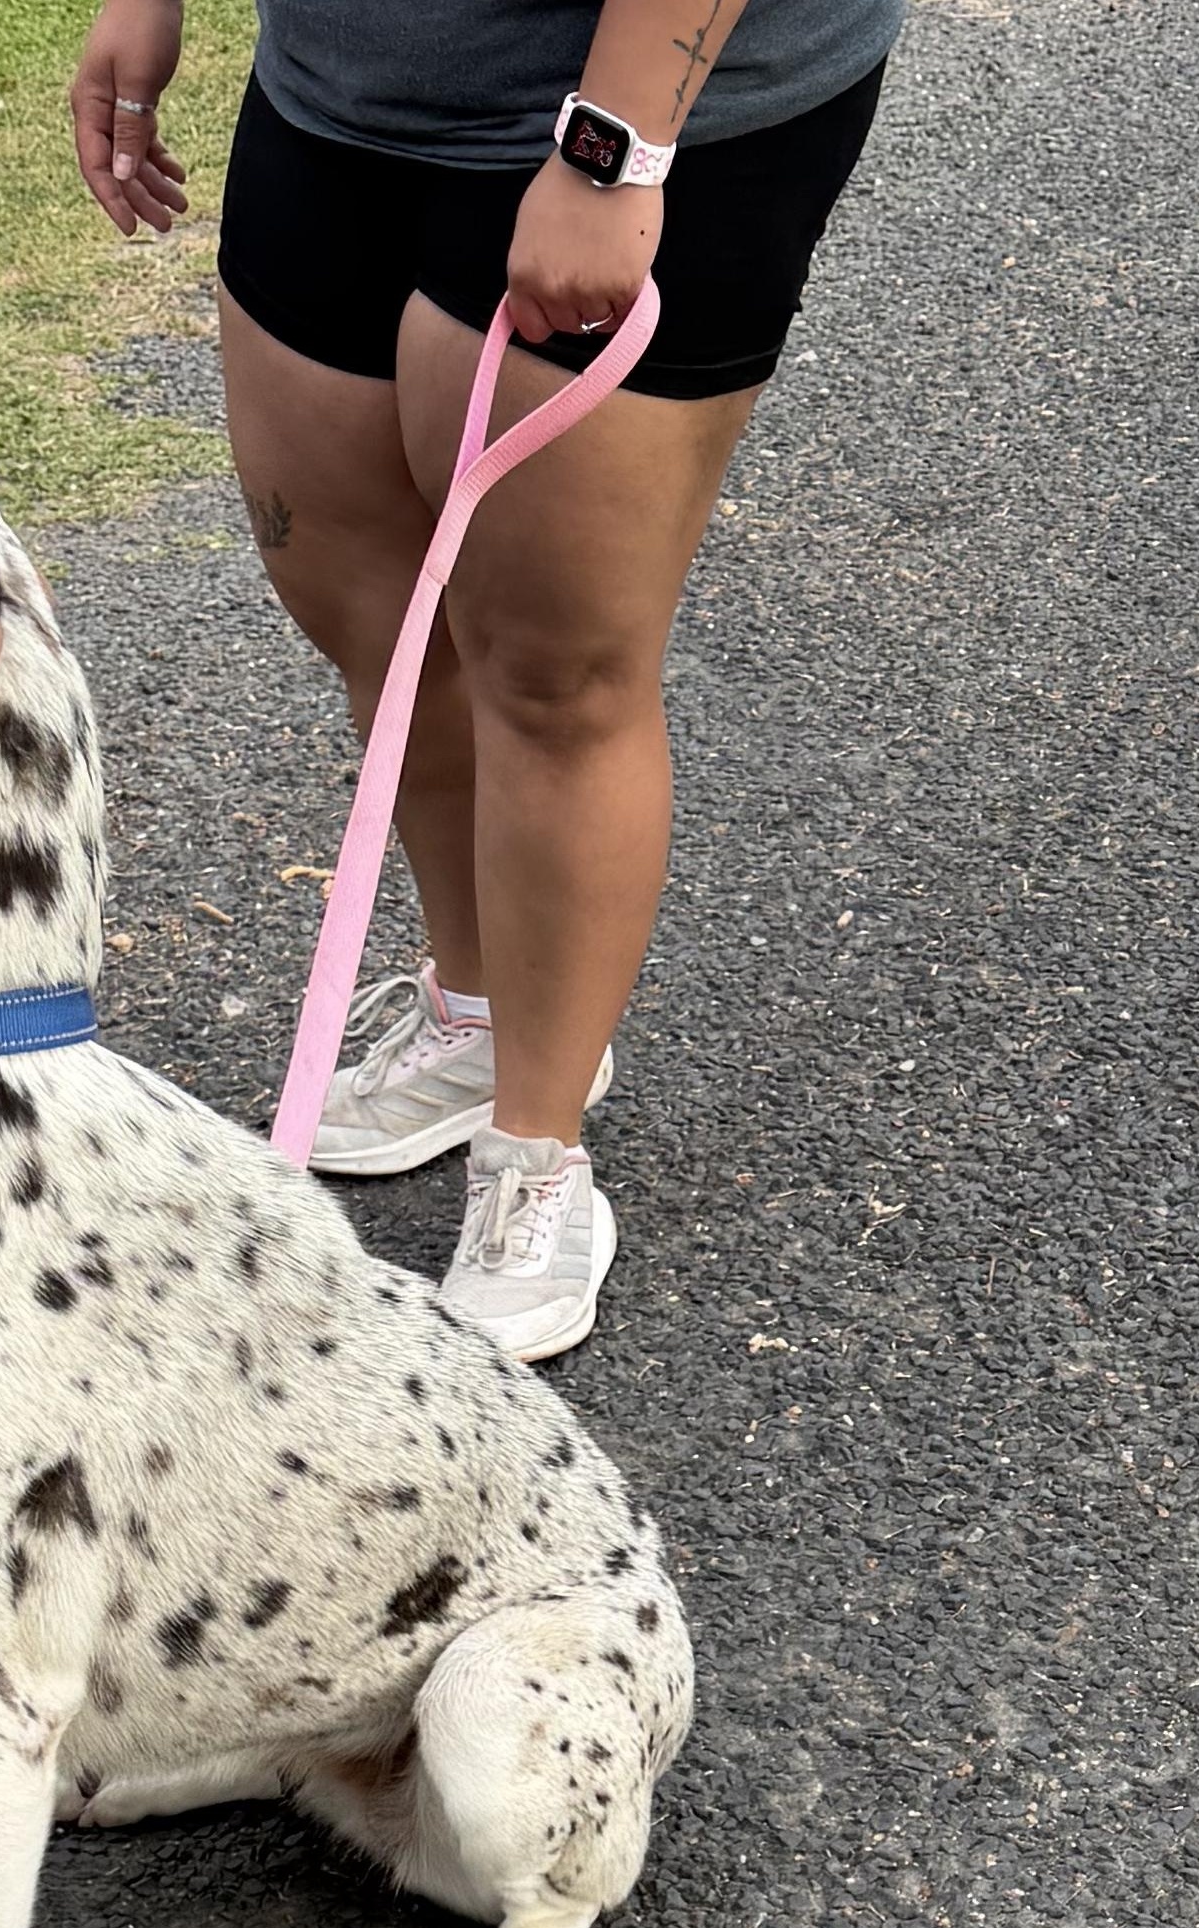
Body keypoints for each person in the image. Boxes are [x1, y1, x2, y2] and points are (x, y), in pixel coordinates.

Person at [72, 0, 896, 1357]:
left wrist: (612, 149)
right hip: (342, 78)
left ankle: (536, 1147)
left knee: (550, 668)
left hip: (617, 112)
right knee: (372, 611)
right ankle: (472, 1011)